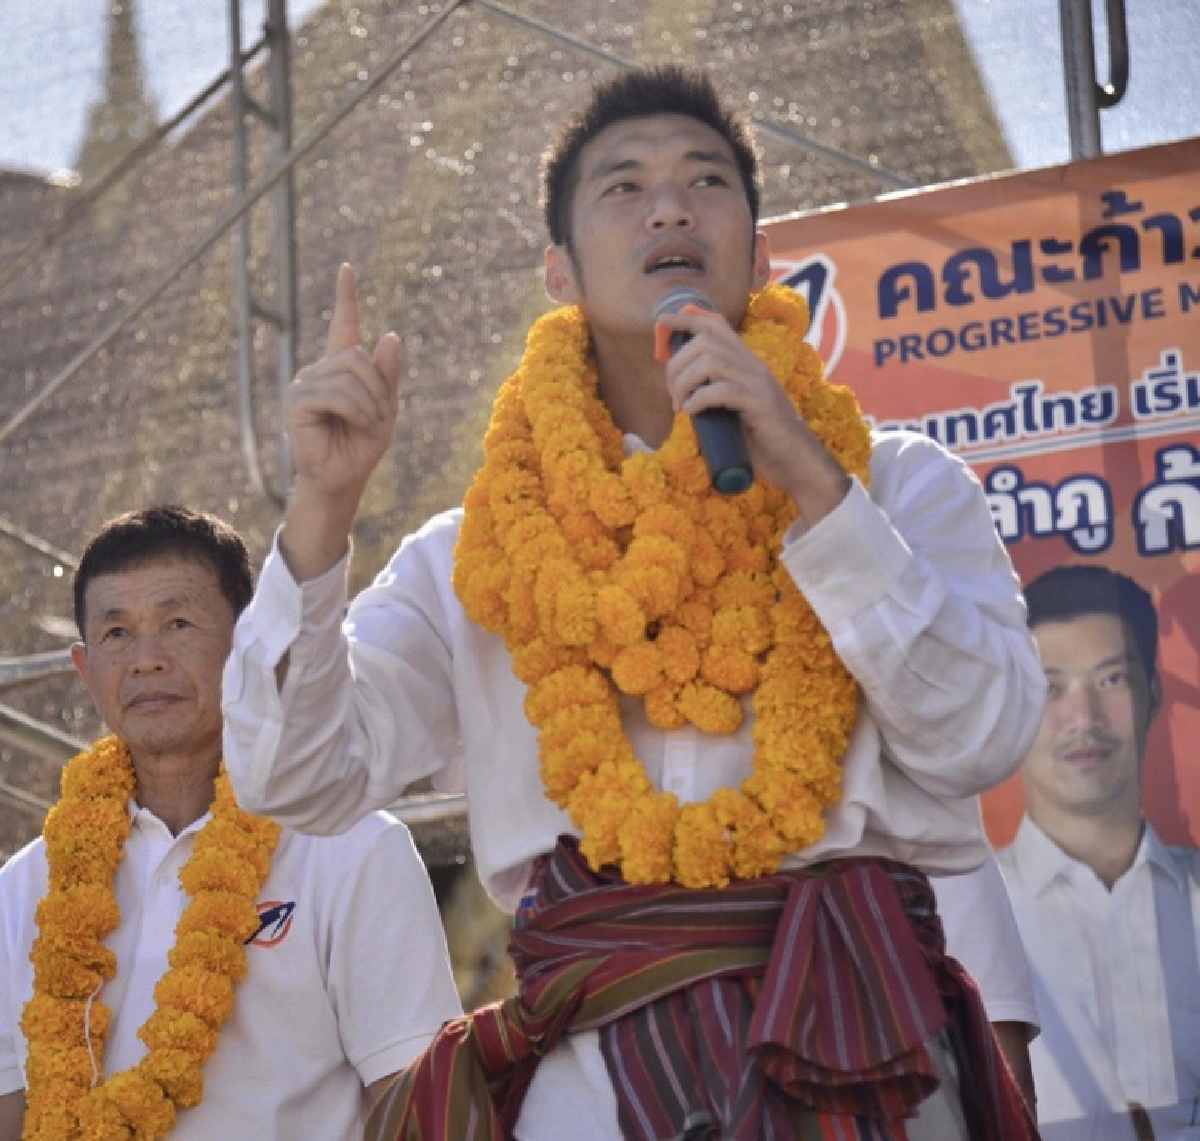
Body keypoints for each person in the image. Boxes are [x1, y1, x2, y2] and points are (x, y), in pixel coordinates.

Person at [222, 66, 1046, 1139]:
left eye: (706, 180)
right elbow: (293, 774)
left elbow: (984, 737)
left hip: (865, 1038)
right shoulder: (478, 553)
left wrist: (811, 480)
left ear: (760, 252)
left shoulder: (896, 488)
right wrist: (324, 507)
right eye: (625, 186)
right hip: (595, 1079)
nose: (669, 208)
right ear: (559, 271)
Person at [0, 507, 461, 1141]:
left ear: (249, 646)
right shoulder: (25, 888)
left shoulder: (351, 850)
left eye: (178, 623)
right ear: (85, 669)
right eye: (116, 633)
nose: (146, 659)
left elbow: (423, 1110)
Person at [998, 564, 1200, 1140]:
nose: (1083, 719)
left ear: (1153, 695)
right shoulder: (966, 916)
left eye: (1111, 680)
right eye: (1050, 688)